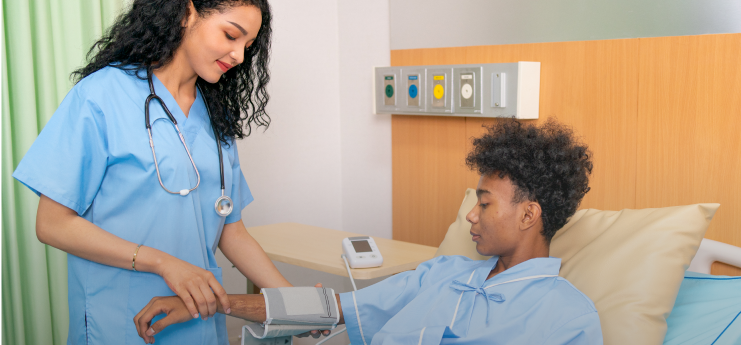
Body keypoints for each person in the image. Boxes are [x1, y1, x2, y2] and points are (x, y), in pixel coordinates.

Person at [134, 119, 603, 344]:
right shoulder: (442, 274)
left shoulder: (567, 318)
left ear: (529, 215)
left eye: (484, 204)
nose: (470, 217)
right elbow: (329, 308)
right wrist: (213, 303)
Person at [11, 0, 305, 344]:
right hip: (121, 318)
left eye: (248, 45)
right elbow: (52, 224)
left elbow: (231, 231)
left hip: (198, 315)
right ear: (186, 13)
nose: (239, 55)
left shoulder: (214, 116)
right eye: (230, 35)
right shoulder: (102, 95)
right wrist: (163, 263)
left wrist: (298, 303)